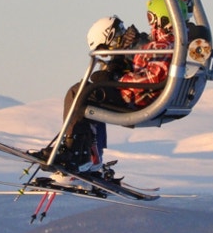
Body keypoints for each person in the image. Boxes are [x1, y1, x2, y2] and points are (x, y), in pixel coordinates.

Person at [34, 14, 143, 174]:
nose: (106, 55)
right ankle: (91, 154)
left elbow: (130, 73)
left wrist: (110, 73)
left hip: (134, 99)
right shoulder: (131, 46)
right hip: (137, 98)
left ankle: (77, 152)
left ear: (110, 37)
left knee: (79, 91)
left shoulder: (133, 48)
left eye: (104, 50)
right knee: (89, 96)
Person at [119, 0, 192, 107]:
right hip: (152, 95)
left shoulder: (163, 47)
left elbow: (153, 78)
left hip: (141, 98)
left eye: (150, 18)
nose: (150, 24)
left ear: (161, 19)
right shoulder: (179, 43)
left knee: (86, 92)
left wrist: (120, 80)